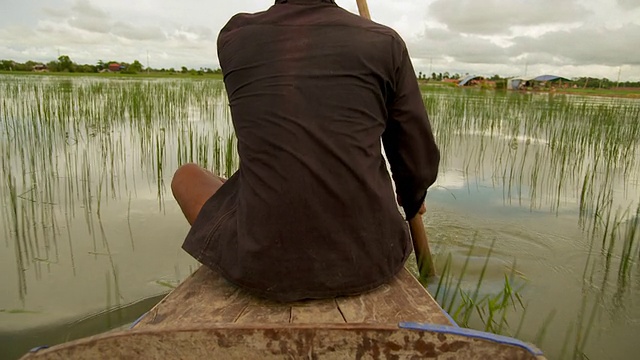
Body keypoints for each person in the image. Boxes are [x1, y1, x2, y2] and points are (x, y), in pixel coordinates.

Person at [171, 0, 440, 302]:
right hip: (375, 259)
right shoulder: (384, 42)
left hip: (261, 264)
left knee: (187, 176)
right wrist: (412, 195)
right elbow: (419, 165)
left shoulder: (235, 36)